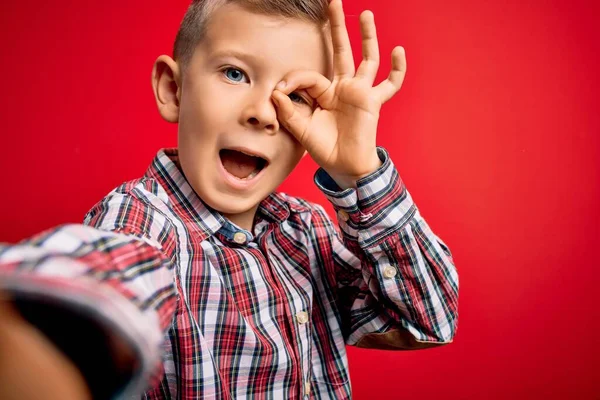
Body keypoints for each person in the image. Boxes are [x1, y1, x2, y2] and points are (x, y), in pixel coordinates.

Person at [0, 0, 459, 399]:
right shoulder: (143, 224)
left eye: (296, 95)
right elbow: (102, 282)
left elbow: (429, 319)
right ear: (173, 89)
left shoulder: (306, 231)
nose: (261, 112)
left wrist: (357, 172)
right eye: (235, 73)